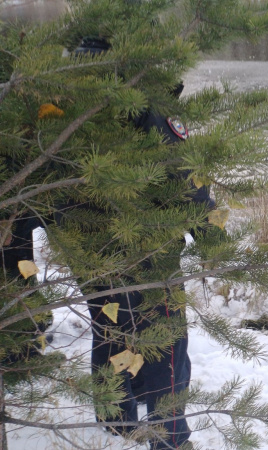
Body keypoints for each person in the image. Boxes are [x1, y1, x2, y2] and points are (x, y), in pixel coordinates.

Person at [1, 37, 212, 449]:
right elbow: (185, 175)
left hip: (82, 239)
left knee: (109, 319)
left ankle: (115, 417)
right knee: (165, 337)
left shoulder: (60, 90)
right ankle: (171, 437)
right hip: (146, 242)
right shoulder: (140, 91)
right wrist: (212, 235)